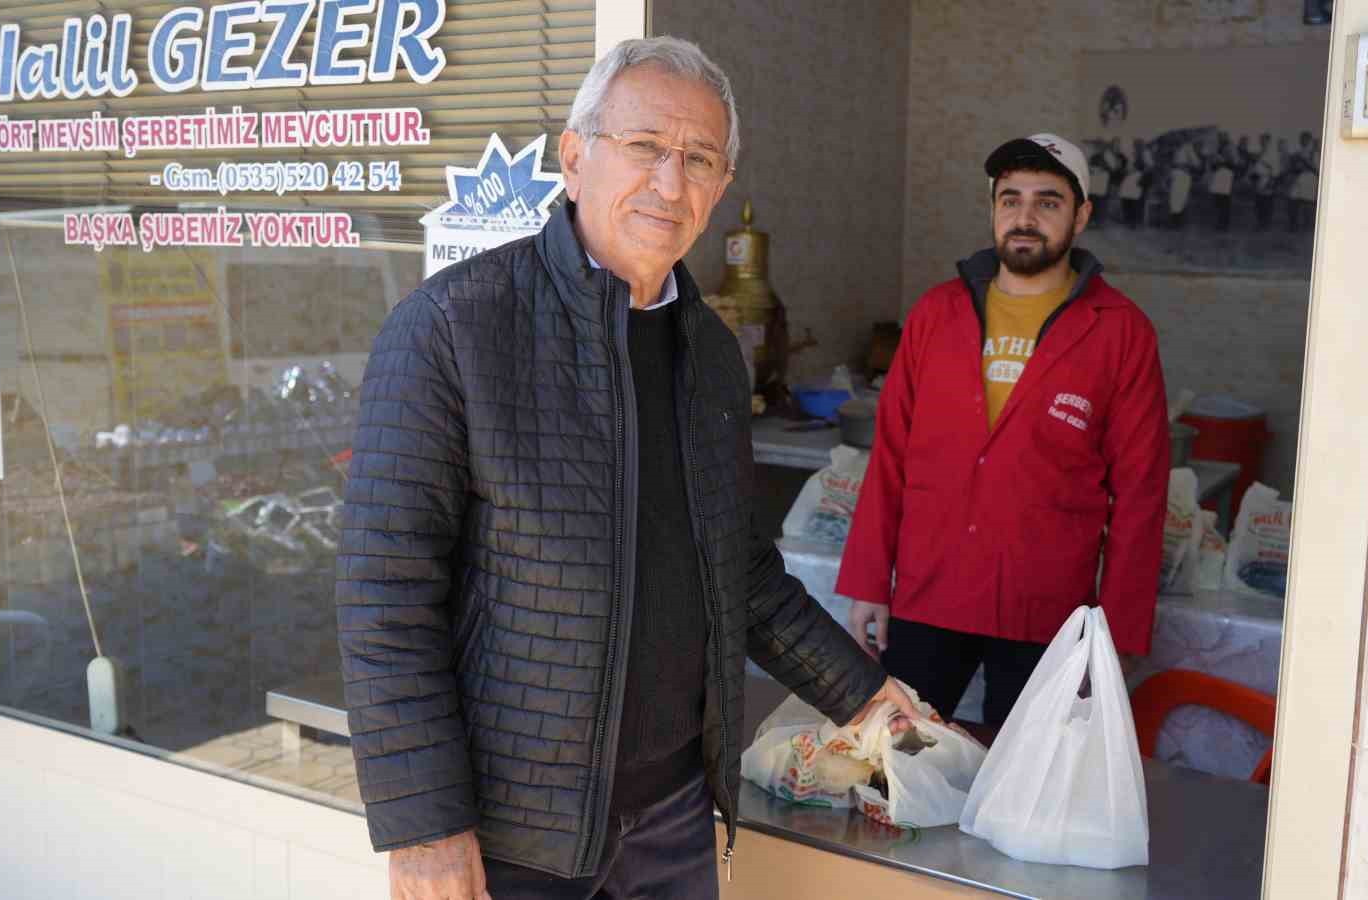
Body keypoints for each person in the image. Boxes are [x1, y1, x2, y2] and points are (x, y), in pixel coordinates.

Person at [335, 36, 918, 900]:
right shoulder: (452, 329)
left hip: (674, 819)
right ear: (574, 159)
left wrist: (868, 698)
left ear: (720, 190)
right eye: (643, 147)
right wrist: (424, 828)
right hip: (511, 833)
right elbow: (385, 595)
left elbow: (739, 574)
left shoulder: (711, 356)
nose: (670, 183)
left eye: (699, 159)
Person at [836, 132, 1171, 731]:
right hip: (929, 593)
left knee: (1023, 792)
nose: (1025, 216)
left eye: (1048, 201)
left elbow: (1141, 492)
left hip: (1044, 607)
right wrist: (868, 583)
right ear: (992, 210)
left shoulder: (1121, 331)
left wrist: (1114, 630)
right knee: (900, 765)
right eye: (1009, 198)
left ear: (1081, 215)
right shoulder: (937, 314)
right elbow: (889, 457)